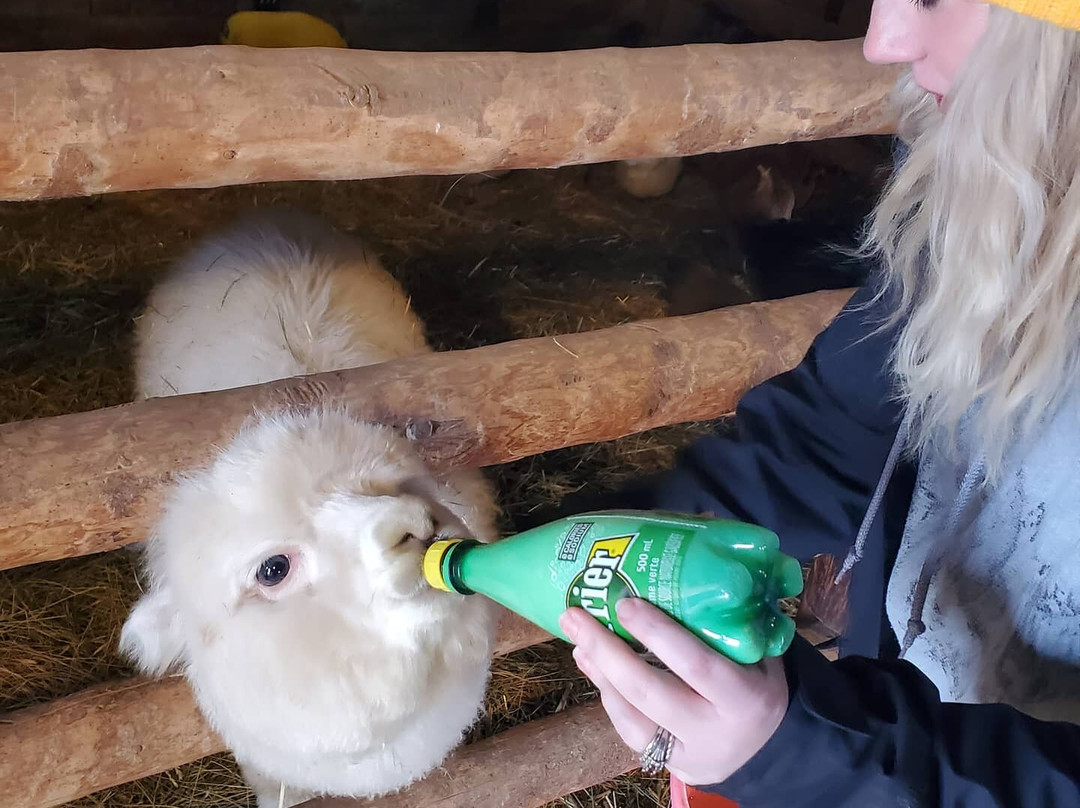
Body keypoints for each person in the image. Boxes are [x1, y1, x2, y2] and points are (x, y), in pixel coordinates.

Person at [543, 0, 1080, 804]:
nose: (881, 40)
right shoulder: (1004, 185)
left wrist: (812, 758)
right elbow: (857, 414)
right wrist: (660, 531)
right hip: (923, 705)